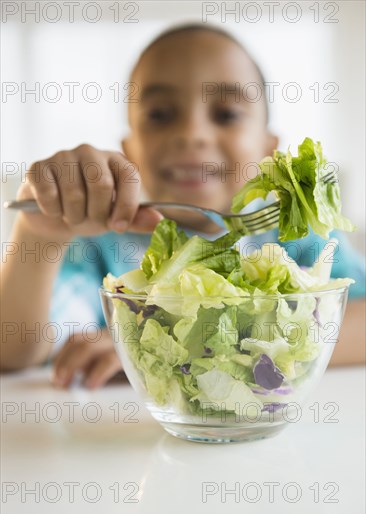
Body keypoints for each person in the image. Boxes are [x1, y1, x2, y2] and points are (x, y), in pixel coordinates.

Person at [1, 24, 365, 387]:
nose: (192, 133)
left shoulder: (299, 234)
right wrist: (37, 236)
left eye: (226, 114)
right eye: (160, 115)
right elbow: (13, 350)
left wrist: (186, 344)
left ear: (268, 150)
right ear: (130, 151)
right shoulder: (99, 242)